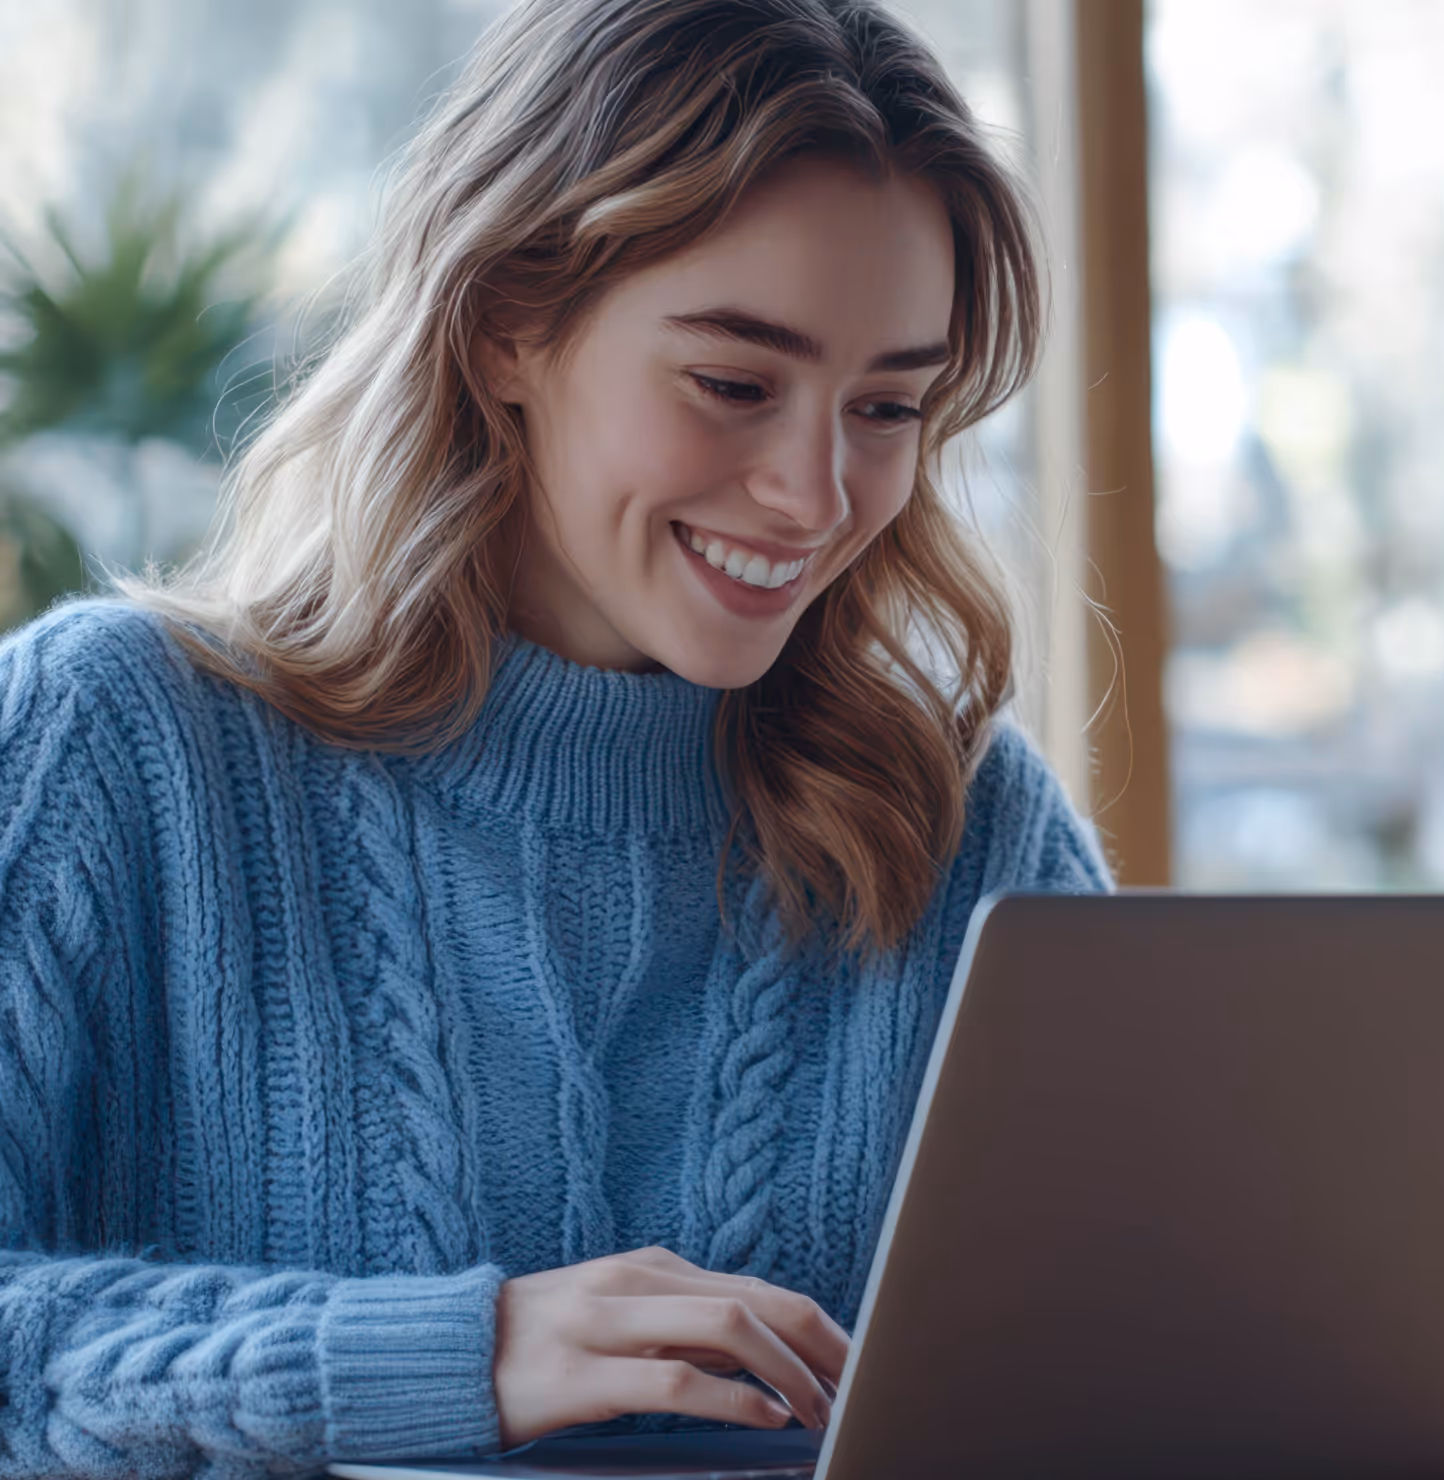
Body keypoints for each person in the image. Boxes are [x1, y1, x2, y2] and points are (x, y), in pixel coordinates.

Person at [0, 0, 1113, 1472]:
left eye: (890, 406)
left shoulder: (970, 833)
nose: (817, 493)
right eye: (733, 383)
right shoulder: (120, 745)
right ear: (507, 325)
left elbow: (1152, 1367)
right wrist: (450, 1357)